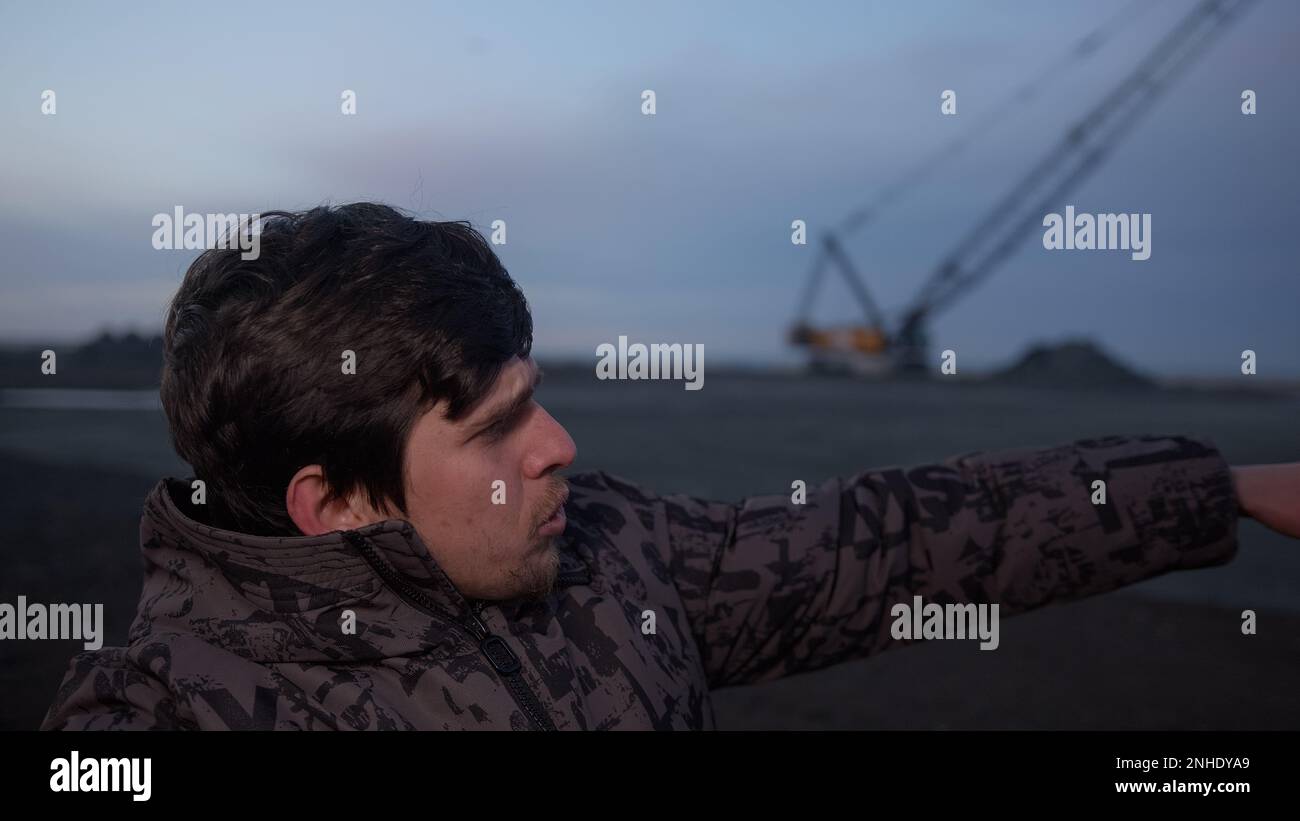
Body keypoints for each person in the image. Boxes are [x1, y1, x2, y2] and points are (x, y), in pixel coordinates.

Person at [40, 203, 1300, 730]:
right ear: (334, 503)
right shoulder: (154, 720)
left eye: (536, 401)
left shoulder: (615, 557)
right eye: (492, 429)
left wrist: (1220, 484)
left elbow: (901, 539)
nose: (561, 449)